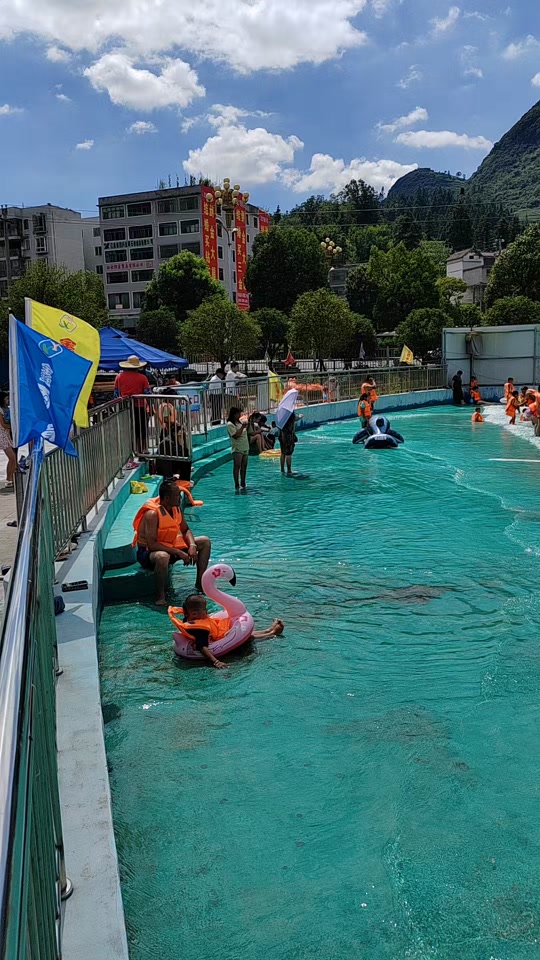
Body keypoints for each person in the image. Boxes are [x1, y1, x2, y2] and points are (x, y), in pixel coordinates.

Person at [133, 479, 211, 605]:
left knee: (205, 541)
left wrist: (192, 545)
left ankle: (200, 584)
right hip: (148, 553)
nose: (180, 497)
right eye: (177, 495)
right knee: (163, 556)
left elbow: (185, 530)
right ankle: (160, 595)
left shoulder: (176, 509)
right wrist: (179, 553)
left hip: (170, 545)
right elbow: (152, 545)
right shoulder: (152, 514)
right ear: (167, 498)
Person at [179, 593, 285, 669]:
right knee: (245, 639)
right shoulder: (200, 629)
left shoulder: (189, 619)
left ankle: (268, 630)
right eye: (204, 609)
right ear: (194, 614)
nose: (207, 611)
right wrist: (216, 662)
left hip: (214, 637)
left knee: (241, 634)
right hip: (213, 644)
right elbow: (202, 646)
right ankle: (272, 633)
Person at [114, 356, 150, 452]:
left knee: (129, 429)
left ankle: (132, 451)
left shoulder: (119, 377)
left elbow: (116, 393)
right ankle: (143, 449)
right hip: (140, 406)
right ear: (138, 367)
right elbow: (147, 393)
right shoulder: (143, 378)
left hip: (125, 407)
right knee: (142, 429)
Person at [227, 407, 249, 490]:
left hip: (245, 447)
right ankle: (236, 484)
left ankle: (243, 483)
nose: (239, 415)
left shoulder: (239, 422)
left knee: (244, 466)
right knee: (237, 466)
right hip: (237, 448)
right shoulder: (230, 424)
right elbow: (236, 436)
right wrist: (243, 427)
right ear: (234, 414)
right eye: (238, 413)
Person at [0, 392, 16, 490]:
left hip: (5, 434)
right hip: (2, 435)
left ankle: (10, 478)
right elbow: (3, 425)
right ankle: (9, 479)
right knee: (12, 458)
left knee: (12, 458)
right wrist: (13, 427)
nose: (8, 401)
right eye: (6, 399)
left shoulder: (3, 410)